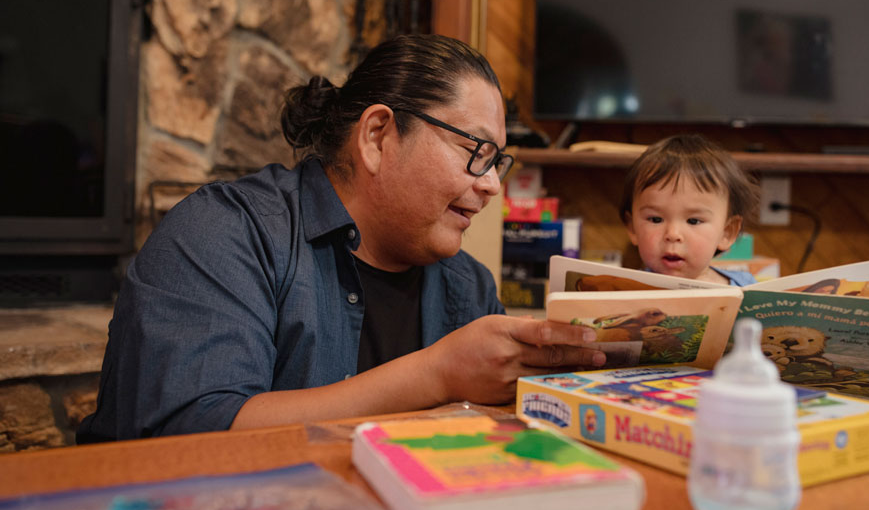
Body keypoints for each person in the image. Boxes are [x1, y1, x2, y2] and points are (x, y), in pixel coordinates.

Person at [78, 34, 605, 443]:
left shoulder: (468, 285)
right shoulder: (224, 233)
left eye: (498, 163)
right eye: (477, 151)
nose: (492, 184)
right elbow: (193, 433)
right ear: (378, 136)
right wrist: (438, 374)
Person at [619, 134, 759, 286]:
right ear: (633, 227)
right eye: (655, 219)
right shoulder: (626, 291)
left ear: (727, 232)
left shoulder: (746, 288)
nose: (673, 234)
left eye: (693, 221)